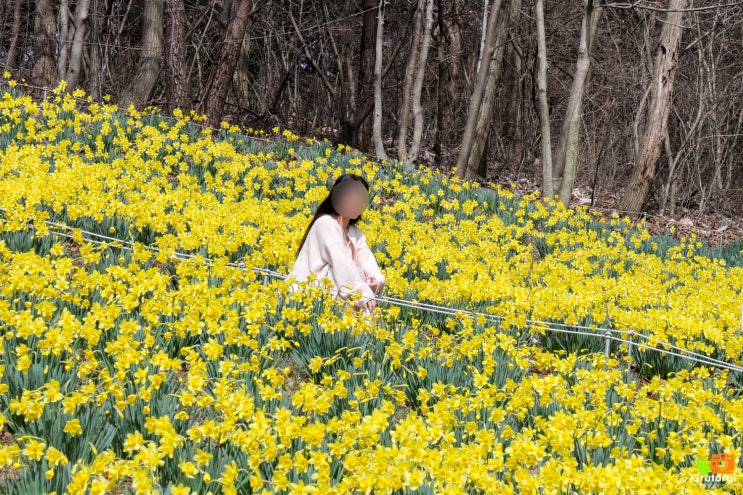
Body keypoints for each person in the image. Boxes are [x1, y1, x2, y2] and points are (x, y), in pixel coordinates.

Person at [288, 173, 386, 314]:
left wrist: (376, 281)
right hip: (308, 302)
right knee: (341, 274)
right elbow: (341, 263)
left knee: (358, 274)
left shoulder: (355, 233)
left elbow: (368, 261)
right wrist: (363, 292)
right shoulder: (325, 224)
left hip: (334, 305)